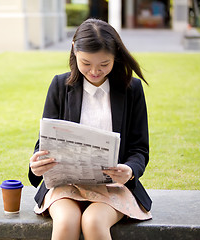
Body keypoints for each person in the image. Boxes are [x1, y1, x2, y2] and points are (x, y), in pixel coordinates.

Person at [28, 18, 152, 240]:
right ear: (74, 50)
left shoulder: (131, 90)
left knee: (93, 222)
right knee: (66, 221)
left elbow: (139, 149)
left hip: (112, 186)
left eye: (104, 64)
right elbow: (44, 144)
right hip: (66, 185)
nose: (95, 71)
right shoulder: (60, 85)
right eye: (86, 63)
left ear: (116, 57)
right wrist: (36, 165)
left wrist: (130, 170)